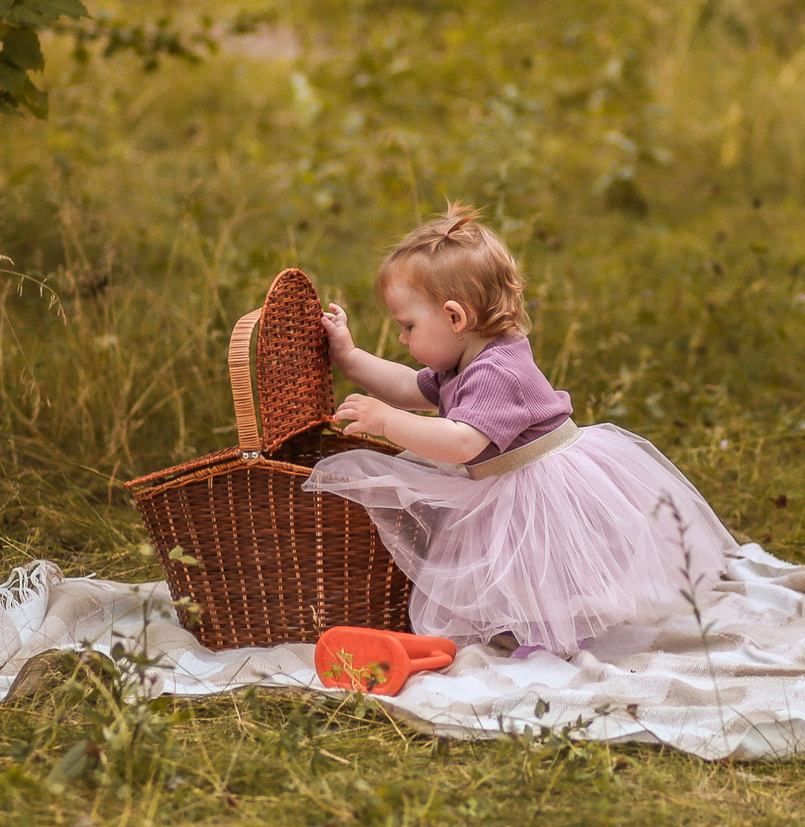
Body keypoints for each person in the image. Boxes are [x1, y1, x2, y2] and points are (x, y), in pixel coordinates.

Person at [304, 204, 737, 655]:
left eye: (408, 326)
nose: (402, 339)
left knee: (541, 561)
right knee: (515, 563)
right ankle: (531, 624)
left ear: (455, 318)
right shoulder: (461, 362)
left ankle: (558, 634)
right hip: (506, 478)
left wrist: (390, 422)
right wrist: (351, 358)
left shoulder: (498, 371)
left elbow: (462, 443)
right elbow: (409, 386)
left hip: (540, 482)